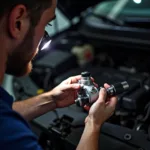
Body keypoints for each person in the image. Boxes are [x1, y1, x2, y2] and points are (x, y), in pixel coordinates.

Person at [0, 0, 118, 150]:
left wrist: (51, 99)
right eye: (46, 26)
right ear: (18, 21)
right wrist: (93, 123)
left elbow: (7, 112)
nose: (44, 39)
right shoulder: (10, 138)